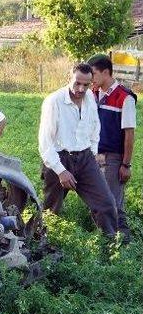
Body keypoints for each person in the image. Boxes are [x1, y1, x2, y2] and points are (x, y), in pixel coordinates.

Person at [38, 63, 118, 239]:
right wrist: (60, 171)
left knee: (106, 203)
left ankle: (111, 246)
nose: (80, 89)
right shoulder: (54, 101)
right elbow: (45, 142)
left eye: (86, 84)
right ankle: (41, 244)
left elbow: (95, 126)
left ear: (91, 83)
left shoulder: (89, 97)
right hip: (59, 158)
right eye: (77, 83)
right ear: (69, 79)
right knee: (51, 210)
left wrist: (94, 153)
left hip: (85, 158)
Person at [87, 53, 137, 242]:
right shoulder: (91, 94)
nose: (90, 78)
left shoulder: (124, 97)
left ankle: (123, 244)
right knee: (95, 201)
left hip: (113, 157)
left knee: (113, 203)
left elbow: (129, 134)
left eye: (93, 74)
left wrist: (126, 164)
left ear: (106, 72)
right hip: (93, 155)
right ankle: (104, 240)